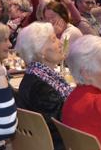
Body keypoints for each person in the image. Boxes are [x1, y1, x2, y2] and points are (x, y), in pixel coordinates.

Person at [15, 22, 71, 150]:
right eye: (54, 40)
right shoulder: (41, 88)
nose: (60, 43)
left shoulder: (35, 76)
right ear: (41, 52)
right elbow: (68, 122)